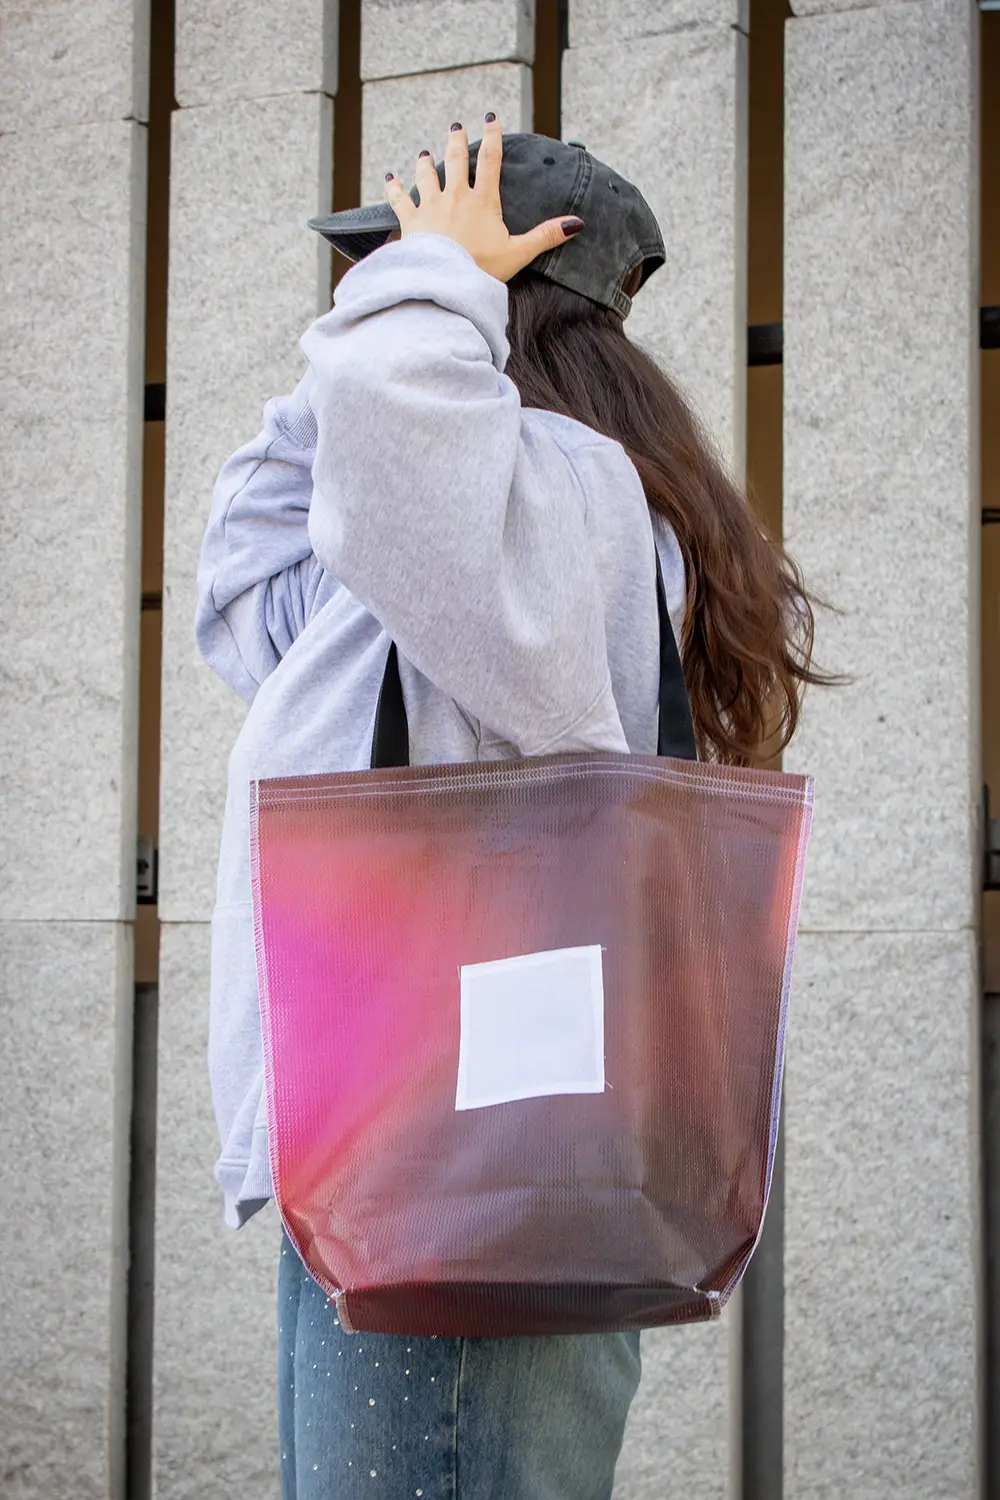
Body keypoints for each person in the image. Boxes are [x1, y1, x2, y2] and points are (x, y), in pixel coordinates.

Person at [195, 117, 823, 1500]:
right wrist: (356, 369)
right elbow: (246, 592)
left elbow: (411, 459)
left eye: (402, 267)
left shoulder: (564, 496)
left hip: (466, 1170)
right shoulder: (447, 538)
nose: (367, 299)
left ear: (500, 292)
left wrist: (429, 304)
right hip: (380, 1152)